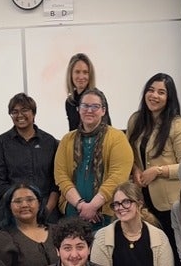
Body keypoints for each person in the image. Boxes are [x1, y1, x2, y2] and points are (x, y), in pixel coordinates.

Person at [54, 88, 134, 229]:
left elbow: (118, 177)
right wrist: (81, 205)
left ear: (103, 111)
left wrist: (93, 206)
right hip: (73, 212)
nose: (89, 110)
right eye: (85, 106)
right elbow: (61, 176)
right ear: (78, 109)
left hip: (106, 214)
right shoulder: (67, 140)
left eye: (95, 106)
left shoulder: (118, 138)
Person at [128, 73, 181, 229]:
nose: (154, 95)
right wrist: (135, 169)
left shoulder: (178, 124)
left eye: (161, 92)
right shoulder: (135, 120)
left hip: (170, 203)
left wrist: (158, 171)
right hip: (141, 199)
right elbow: (128, 154)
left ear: (169, 98)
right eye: (151, 90)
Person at [0, 93, 60, 218]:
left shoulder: (50, 142)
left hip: (47, 210)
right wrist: (21, 206)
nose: (20, 115)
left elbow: (57, 181)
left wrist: (47, 210)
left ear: (34, 113)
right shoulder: (1, 143)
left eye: (24, 110)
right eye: (14, 112)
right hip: (12, 211)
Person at [64, 53, 111, 131]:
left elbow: (106, 128)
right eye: (77, 72)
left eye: (85, 72)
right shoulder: (70, 102)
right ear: (71, 74)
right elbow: (72, 131)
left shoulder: (98, 97)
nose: (81, 77)